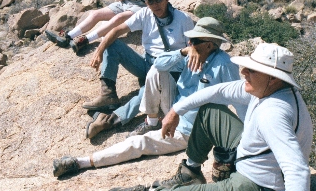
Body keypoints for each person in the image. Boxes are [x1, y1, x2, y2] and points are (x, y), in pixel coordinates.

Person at [51, 17, 240, 178]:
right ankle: (151, 120)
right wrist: (183, 51)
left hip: (190, 128)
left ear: (209, 44)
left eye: (194, 41)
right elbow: (159, 64)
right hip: (173, 111)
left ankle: (80, 162)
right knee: (157, 72)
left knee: (139, 143)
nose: (190, 43)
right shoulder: (191, 54)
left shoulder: (224, 65)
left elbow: (238, 99)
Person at [114, 43, 313, 191]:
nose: (243, 72)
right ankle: (191, 171)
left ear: (272, 78)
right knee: (210, 110)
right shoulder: (268, 89)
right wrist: (176, 111)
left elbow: (297, 170)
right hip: (255, 154)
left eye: (251, 70)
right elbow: (216, 91)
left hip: (257, 182)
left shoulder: (273, 113)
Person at [83, 0, 193, 136]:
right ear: (146, 3)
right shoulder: (145, 14)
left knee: (145, 93)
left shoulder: (183, 19)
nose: (155, 4)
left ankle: (111, 120)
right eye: (150, 1)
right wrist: (99, 51)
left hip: (169, 70)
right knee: (113, 44)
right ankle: (108, 95)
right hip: (147, 63)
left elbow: (192, 49)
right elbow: (116, 30)